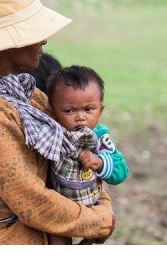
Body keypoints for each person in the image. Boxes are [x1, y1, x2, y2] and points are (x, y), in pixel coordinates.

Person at [0, 0, 115, 245]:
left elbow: (77, 149)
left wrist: (101, 204)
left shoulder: (31, 95)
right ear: (8, 42)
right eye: (35, 32)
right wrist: (98, 220)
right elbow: (32, 200)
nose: (45, 39)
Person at [45, 65, 129, 244]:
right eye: (69, 111)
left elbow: (121, 171)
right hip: (61, 206)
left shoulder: (99, 137)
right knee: (56, 239)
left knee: (100, 232)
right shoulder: (52, 135)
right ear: (52, 113)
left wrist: (99, 162)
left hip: (91, 203)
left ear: (101, 110)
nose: (80, 117)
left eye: (88, 109)